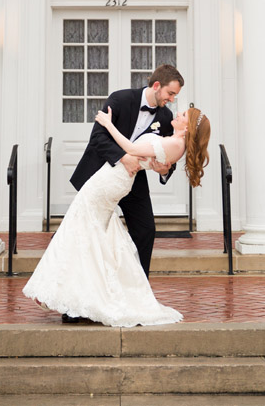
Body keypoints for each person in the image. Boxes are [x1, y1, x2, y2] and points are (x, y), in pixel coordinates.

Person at [22, 105, 211, 328]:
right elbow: (152, 159)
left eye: (183, 116)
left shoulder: (174, 143)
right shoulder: (174, 142)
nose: (177, 113)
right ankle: (76, 293)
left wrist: (108, 123)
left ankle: (65, 291)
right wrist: (159, 166)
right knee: (87, 232)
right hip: (113, 178)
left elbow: (130, 147)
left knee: (79, 228)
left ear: (187, 127)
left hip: (111, 180)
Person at [70, 64, 185, 283]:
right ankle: (75, 301)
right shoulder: (120, 99)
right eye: (170, 94)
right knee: (86, 231)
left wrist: (164, 170)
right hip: (101, 176)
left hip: (133, 182)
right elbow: (98, 139)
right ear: (157, 85)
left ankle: (137, 293)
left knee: (145, 230)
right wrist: (124, 157)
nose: (171, 99)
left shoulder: (166, 116)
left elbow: (168, 155)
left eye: (175, 96)